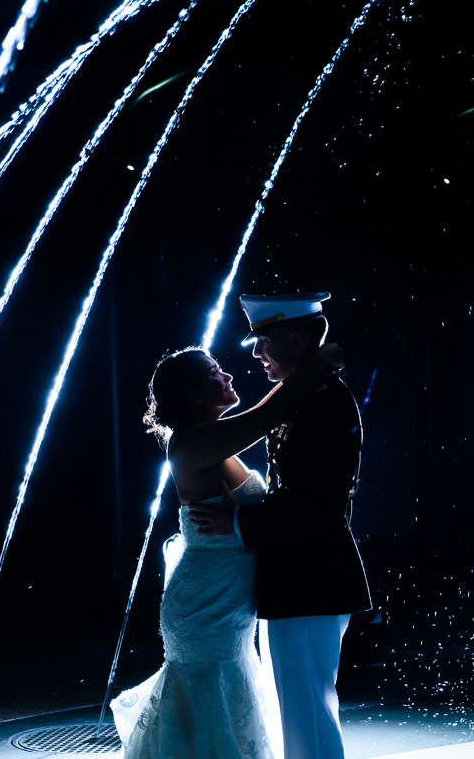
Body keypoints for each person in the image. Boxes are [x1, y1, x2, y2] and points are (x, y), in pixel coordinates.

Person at [110, 341, 343, 759]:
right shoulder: (189, 444)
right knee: (212, 711)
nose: (229, 375)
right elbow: (269, 415)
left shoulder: (212, 441)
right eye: (215, 371)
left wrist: (246, 519)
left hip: (227, 604)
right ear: (194, 394)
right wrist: (318, 361)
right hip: (205, 607)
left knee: (226, 707)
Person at [189, 292, 372, 759]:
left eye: (263, 340)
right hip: (302, 576)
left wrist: (239, 520)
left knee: (306, 712)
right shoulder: (308, 397)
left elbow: (317, 507)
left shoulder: (324, 402)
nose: (255, 353)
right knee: (298, 707)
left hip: (312, 577)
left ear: (295, 338)